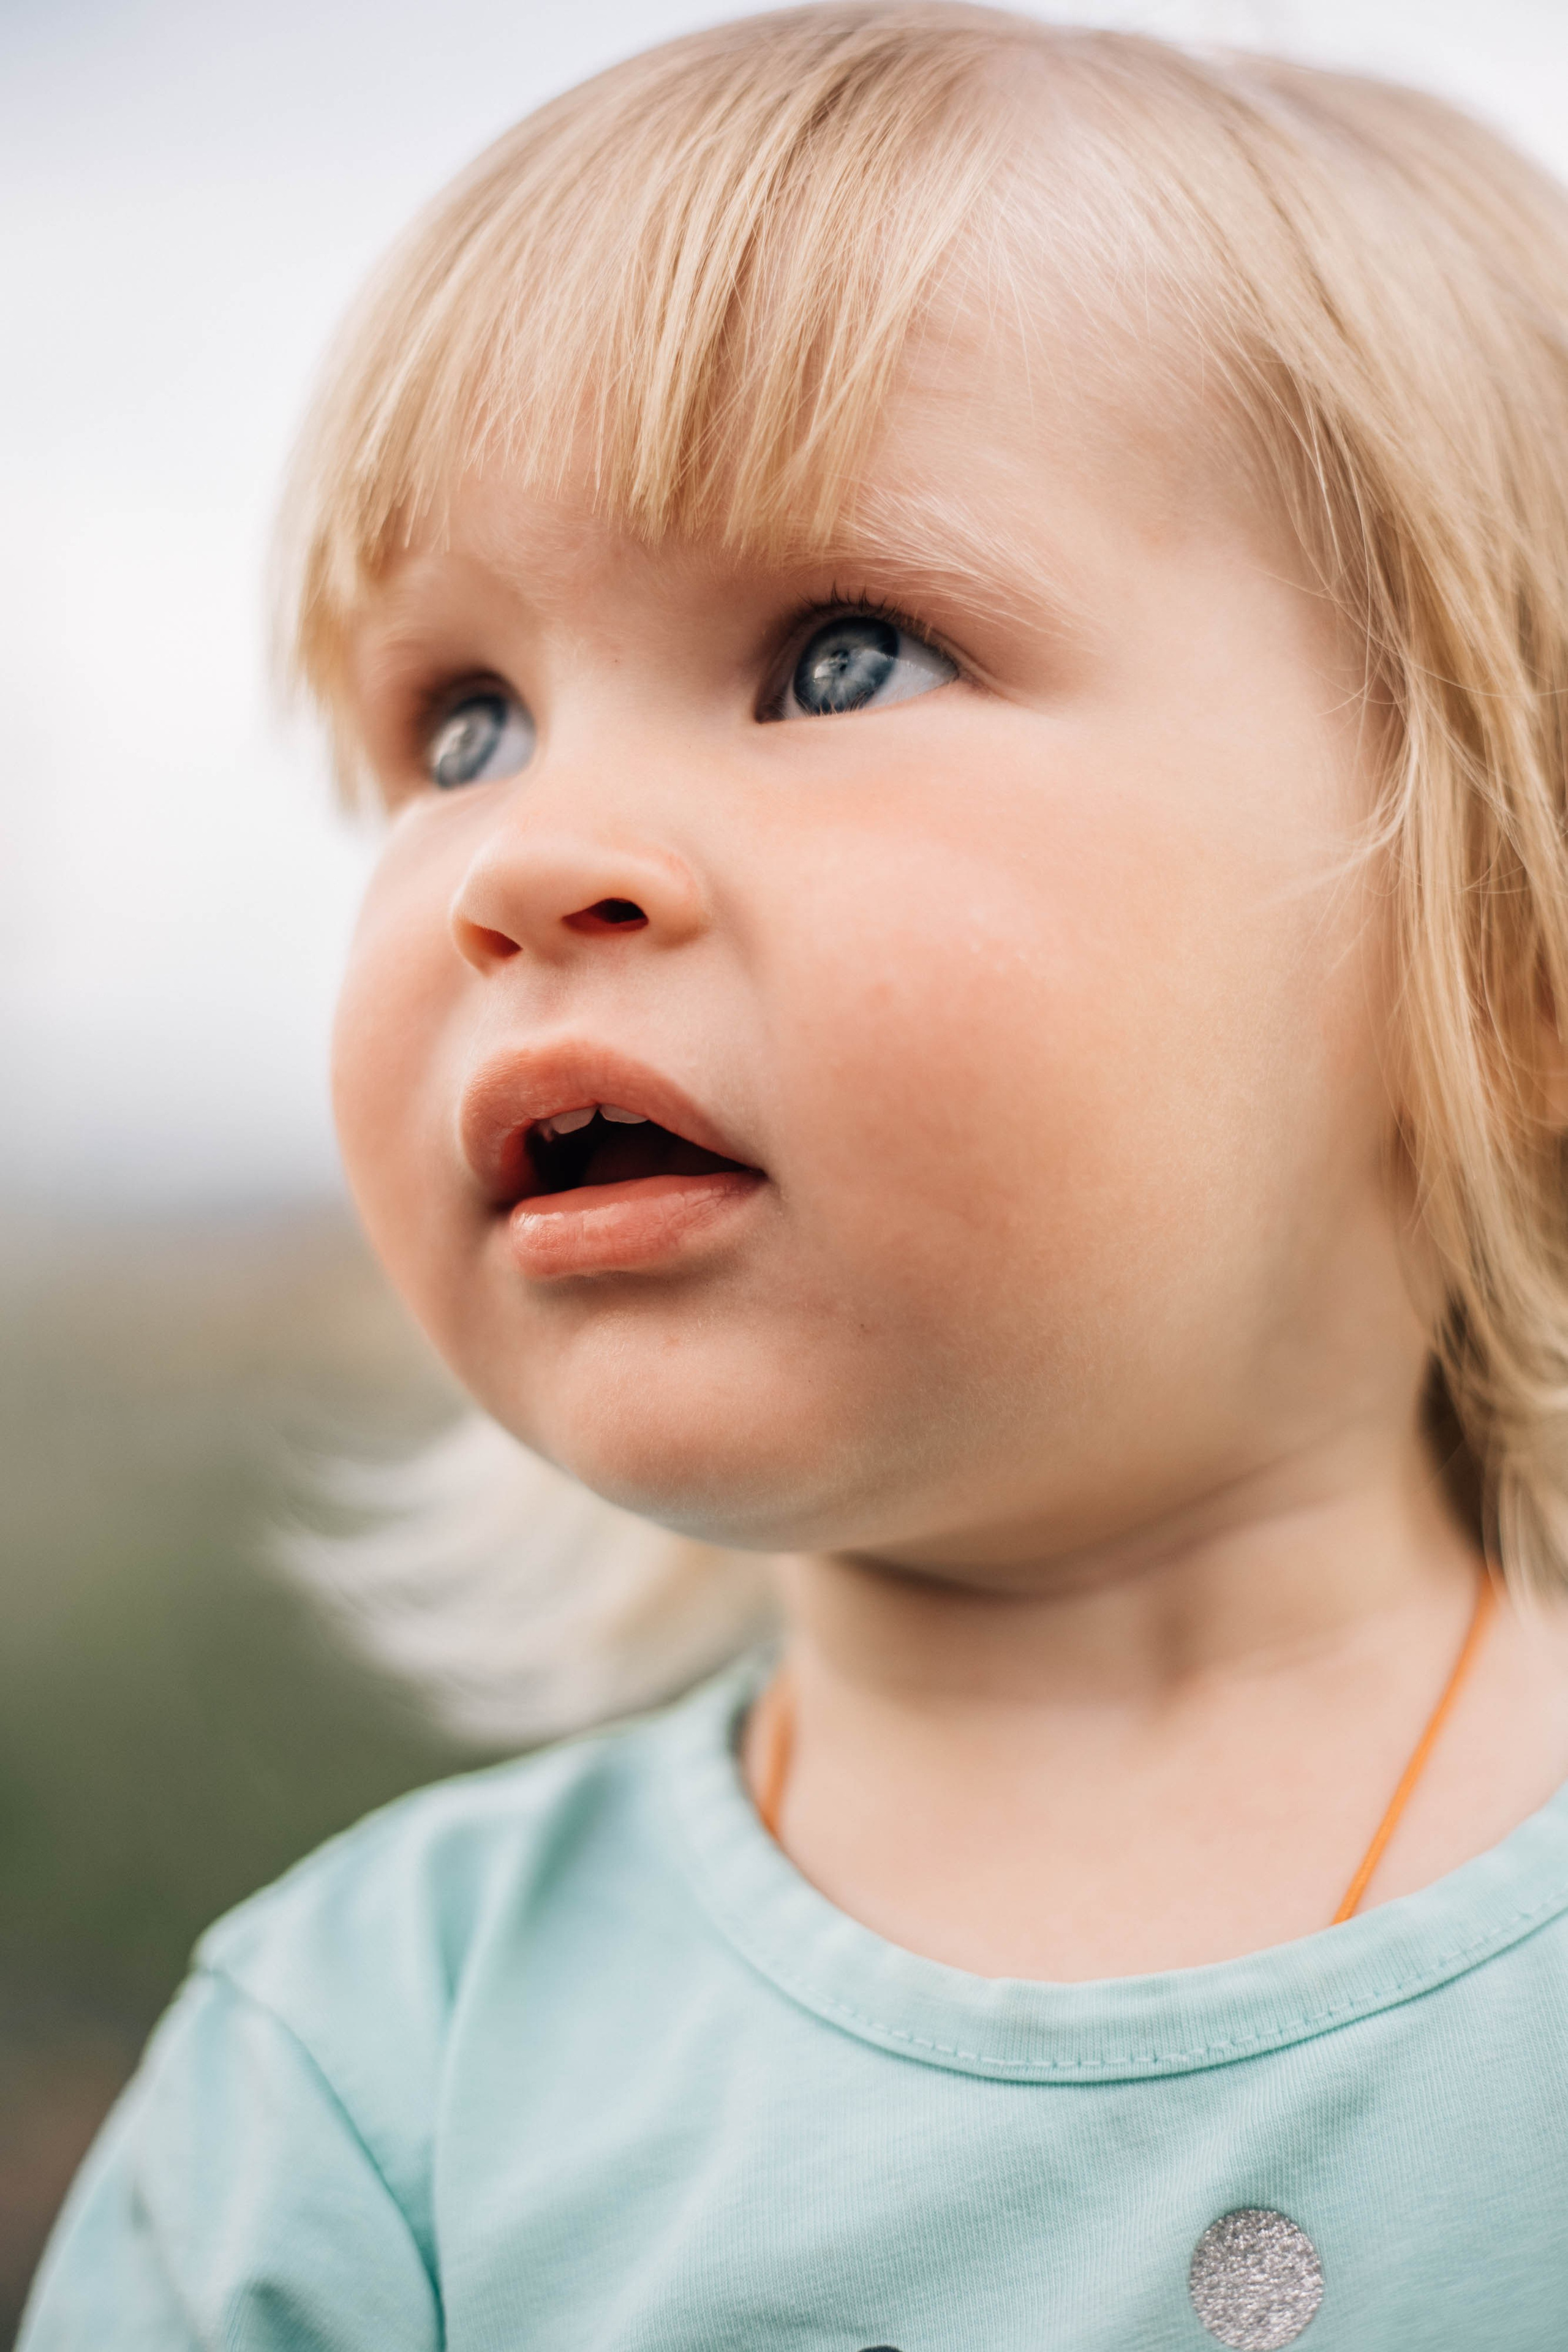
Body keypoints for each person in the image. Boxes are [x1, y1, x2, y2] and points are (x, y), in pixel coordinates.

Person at [24, 6, 1568, 2343]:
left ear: (1512, 939)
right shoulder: (370, 2083)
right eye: (463, 723)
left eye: (842, 657)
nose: (523, 857)